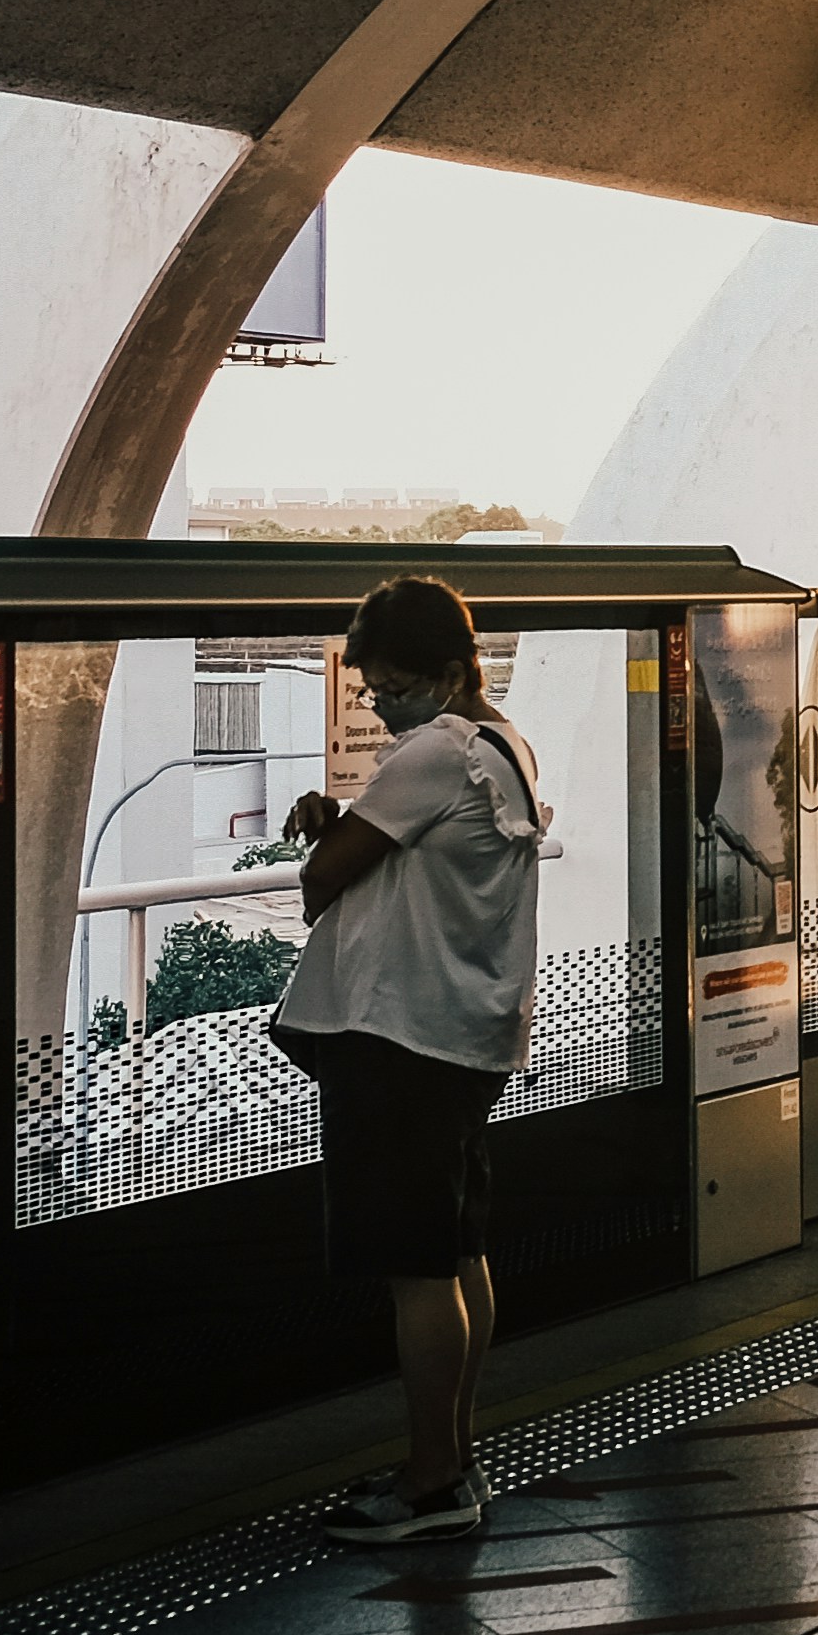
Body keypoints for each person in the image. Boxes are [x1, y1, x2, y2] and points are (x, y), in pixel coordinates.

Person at [277, 576, 551, 1544]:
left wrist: (332, 839)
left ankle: (430, 1479)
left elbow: (326, 875)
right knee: (455, 1251)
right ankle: (456, 1455)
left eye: (390, 683)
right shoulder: (499, 742)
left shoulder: (430, 750)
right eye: (370, 686)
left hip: (399, 1038)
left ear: (446, 671)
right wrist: (345, 816)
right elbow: (410, 846)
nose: (377, 701)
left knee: (413, 1268)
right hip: (466, 1032)